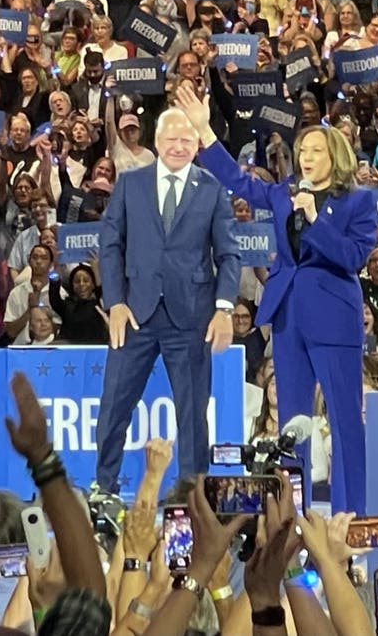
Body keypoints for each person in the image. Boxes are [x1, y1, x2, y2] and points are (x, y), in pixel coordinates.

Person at [178, 84, 376, 513]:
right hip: (288, 318)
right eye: (303, 149)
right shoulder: (284, 191)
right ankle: (292, 514)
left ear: (336, 156)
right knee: (292, 425)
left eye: (316, 151)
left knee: (344, 422)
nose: (306, 157)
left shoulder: (358, 202)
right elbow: (237, 181)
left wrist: (312, 218)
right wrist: (205, 132)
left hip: (335, 317)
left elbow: (353, 257)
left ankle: (352, 514)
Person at [93, 104, 241, 495]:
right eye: (171, 139)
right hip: (134, 315)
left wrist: (224, 307)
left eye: (186, 140)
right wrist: (116, 303)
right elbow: (110, 244)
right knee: (112, 409)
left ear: (197, 144)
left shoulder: (211, 189)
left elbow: (228, 254)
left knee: (193, 417)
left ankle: (192, 497)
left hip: (191, 318)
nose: (178, 146)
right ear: (156, 142)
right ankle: (103, 492)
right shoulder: (130, 183)